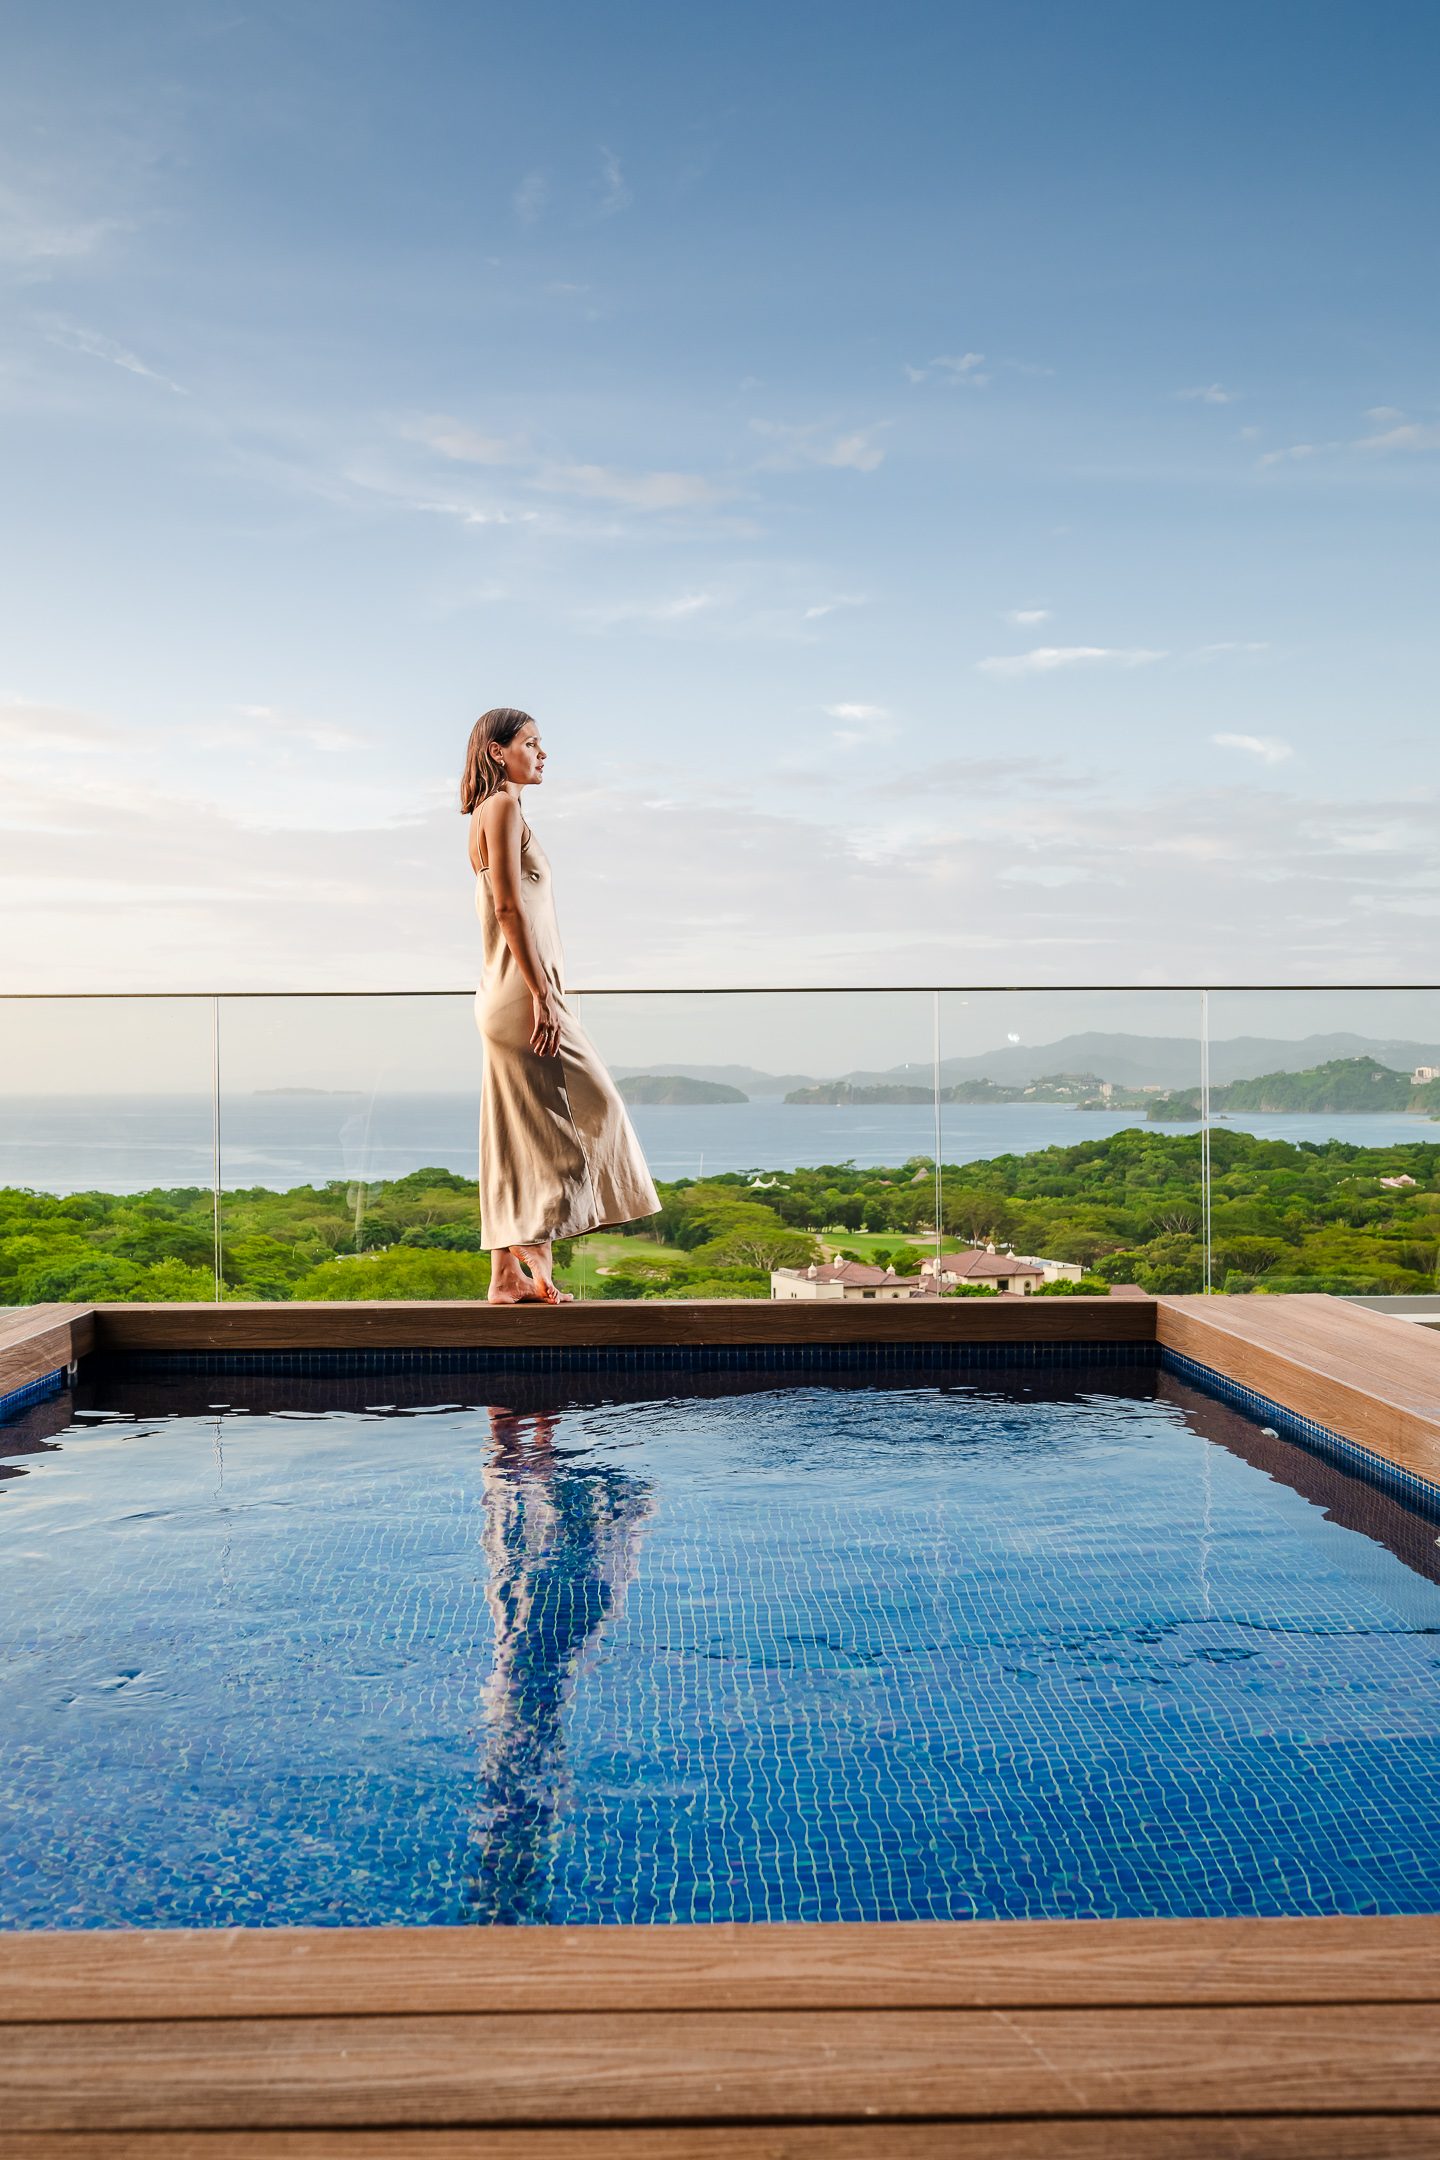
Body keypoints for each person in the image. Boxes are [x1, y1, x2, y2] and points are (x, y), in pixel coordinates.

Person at [463, 706, 659, 1304]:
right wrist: (546, 995)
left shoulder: (491, 811)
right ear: (499, 751)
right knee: (598, 1106)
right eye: (532, 743)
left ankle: (504, 1278)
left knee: (515, 1130)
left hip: (509, 994)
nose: (543, 754)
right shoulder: (501, 807)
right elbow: (506, 909)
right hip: (524, 997)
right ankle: (536, 1247)